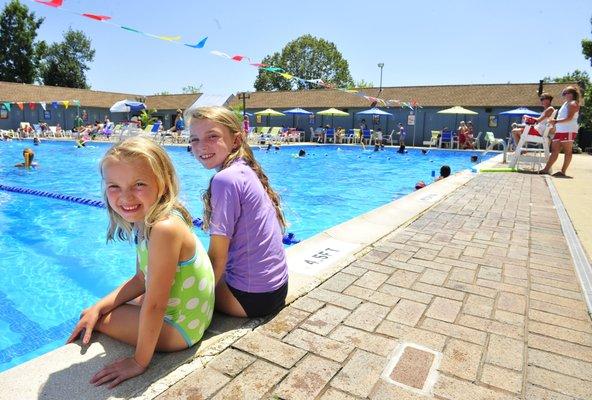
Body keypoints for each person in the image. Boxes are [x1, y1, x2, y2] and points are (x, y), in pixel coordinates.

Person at [66, 137, 214, 388]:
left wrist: (139, 362)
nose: (125, 196)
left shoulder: (164, 228)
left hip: (181, 329)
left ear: (162, 182)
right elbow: (140, 279)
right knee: (97, 311)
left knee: (94, 320)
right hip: (190, 315)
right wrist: (99, 306)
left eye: (139, 184)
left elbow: (155, 305)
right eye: (114, 186)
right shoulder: (146, 218)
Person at [187, 106, 288, 318]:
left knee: (169, 290)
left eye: (212, 136)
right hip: (276, 289)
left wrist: (192, 305)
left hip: (251, 298)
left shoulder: (226, 180)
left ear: (236, 140)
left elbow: (217, 258)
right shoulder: (244, 169)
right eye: (194, 139)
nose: (201, 146)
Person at [540, 86, 580, 177]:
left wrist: (556, 121)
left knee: (567, 151)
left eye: (565, 93)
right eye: (563, 93)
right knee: (554, 150)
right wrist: (555, 122)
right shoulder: (566, 103)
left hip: (568, 130)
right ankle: (546, 169)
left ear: (571, 94)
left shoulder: (573, 103)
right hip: (560, 130)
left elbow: (569, 118)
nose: (563, 95)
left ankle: (563, 171)